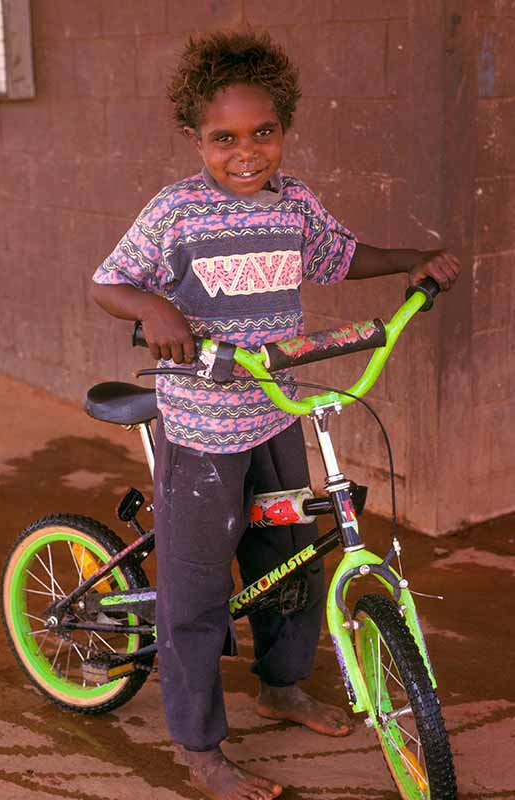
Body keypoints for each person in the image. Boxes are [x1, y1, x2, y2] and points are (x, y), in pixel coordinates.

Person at [91, 29, 460, 800]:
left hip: (277, 409)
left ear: (283, 127)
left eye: (263, 133)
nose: (246, 152)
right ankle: (200, 746)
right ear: (196, 139)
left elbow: (339, 253)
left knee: (290, 561)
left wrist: (411, 263)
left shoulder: (293, 203)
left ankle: (282, 684)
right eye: (224, 139)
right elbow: (108, 283)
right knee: (195, 593)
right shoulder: (176, 212)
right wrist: (155, 306)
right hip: (200, 429)